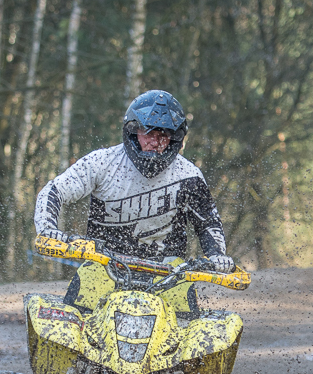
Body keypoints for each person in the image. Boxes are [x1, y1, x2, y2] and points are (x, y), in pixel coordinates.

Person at [34, 89, 233, 313]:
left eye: (163, 135)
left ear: (175, 138)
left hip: (169, 271)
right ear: (133, 131)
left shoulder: (190, 176)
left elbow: (208, 222)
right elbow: (54, 191)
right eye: (147, 132)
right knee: (71, 322)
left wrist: (217, 255)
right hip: (104, 263)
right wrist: (47, 228)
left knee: (191, 331)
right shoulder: (102, 162)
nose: (155, 142)